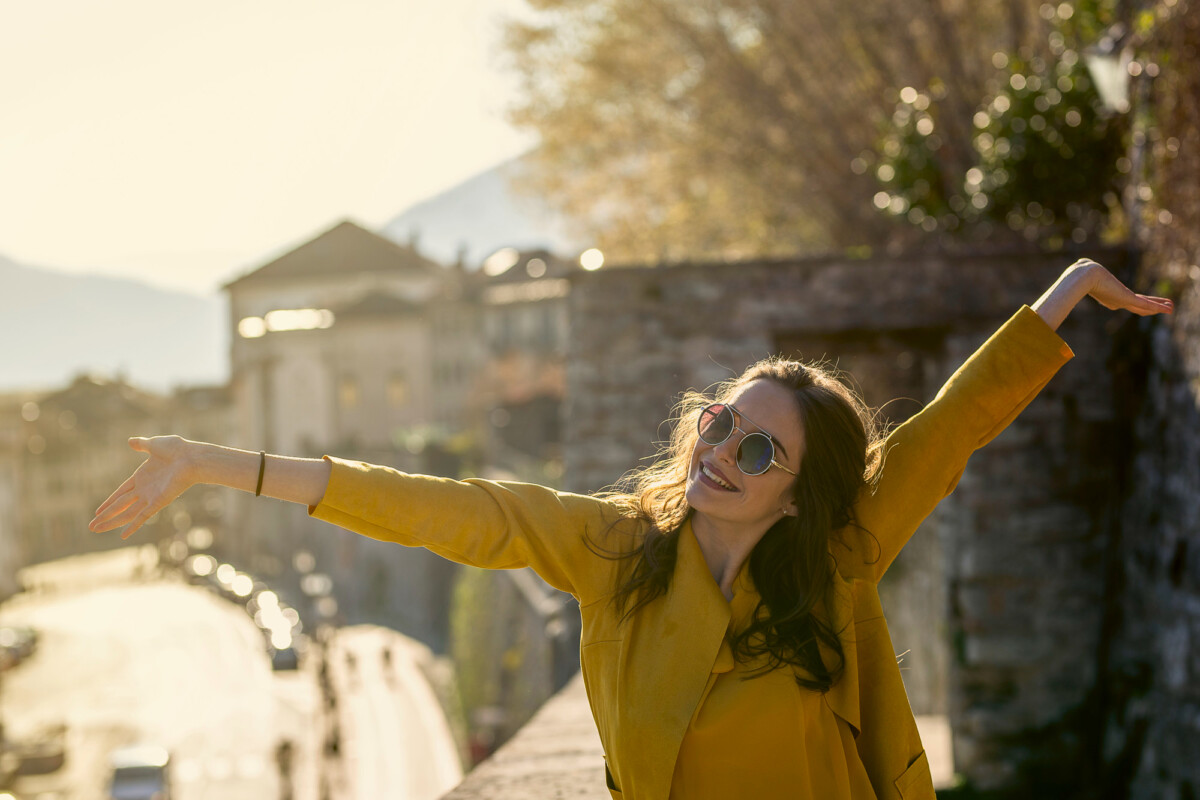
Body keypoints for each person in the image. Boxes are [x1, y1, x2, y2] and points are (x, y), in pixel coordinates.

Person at [90, 259, 1171, 800]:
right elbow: (450, 509)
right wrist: (212, 464)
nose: (719, 451)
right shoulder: (620, 551)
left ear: (799, 490)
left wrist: (1067, 288)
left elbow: (950, 429)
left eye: (758, 449)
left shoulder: (839, 550)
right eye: (720, 421)